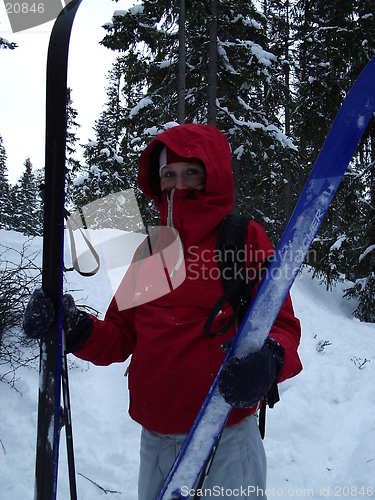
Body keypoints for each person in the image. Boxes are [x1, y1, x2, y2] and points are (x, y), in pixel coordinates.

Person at [24, 123, 302, 499]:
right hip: (156, 444)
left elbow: (282, 324)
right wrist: (73, 328)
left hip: (226, 435)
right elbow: (120, 336)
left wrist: (270, 361)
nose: (178, 184)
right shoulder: (151, 251)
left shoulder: (242, 239)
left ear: (212, 177)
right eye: (168, 175)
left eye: (191, 173)